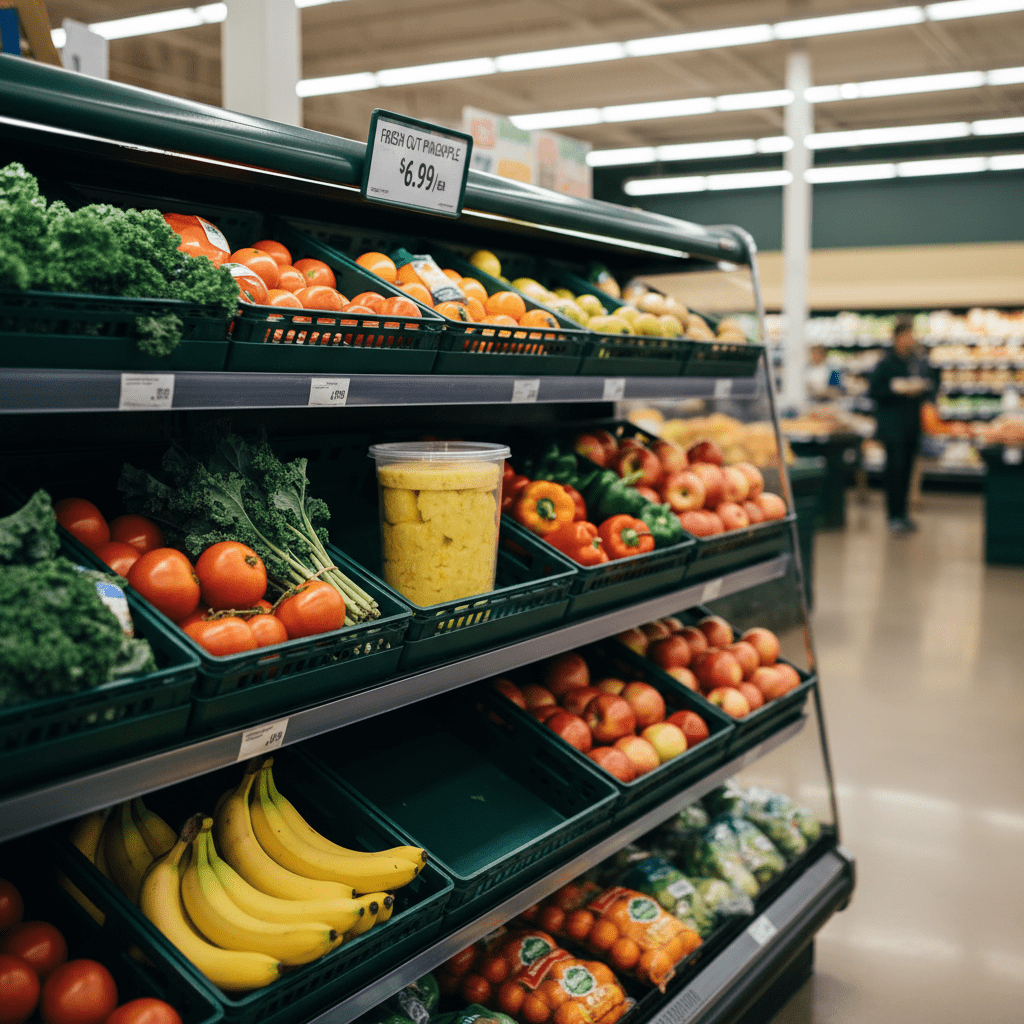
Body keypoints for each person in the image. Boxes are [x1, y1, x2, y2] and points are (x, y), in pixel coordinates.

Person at [868, 316, 935, 533]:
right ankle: (893, 515)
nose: (909, 340)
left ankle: (903, 514)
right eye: (906, 336)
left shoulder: (916, 362)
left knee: (907, 471)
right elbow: (874, 391)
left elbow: (931, 386)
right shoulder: (886, 363)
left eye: (911, 336)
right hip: (891, 428)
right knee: (894, 471)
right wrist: (895, 389)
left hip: (911, 427)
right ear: (897, 337)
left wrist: (921, 388)